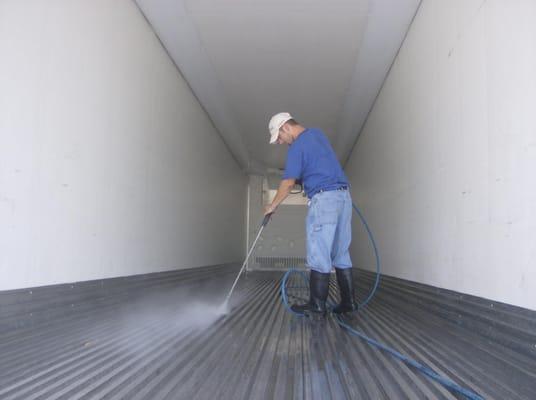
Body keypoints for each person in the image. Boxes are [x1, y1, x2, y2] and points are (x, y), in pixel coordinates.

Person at [264, 112, 358, 318]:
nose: (280, 142)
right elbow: (319, 164)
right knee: (340, 252)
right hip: (343, 197)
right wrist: (305, 178)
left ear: (286, 127)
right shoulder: (318, 134)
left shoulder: (297, 146)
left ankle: (317, 306)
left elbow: (288, 183)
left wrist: (272, 205)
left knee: (319, 251)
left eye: (279, 137)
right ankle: (348, 303)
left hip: (324, 200)